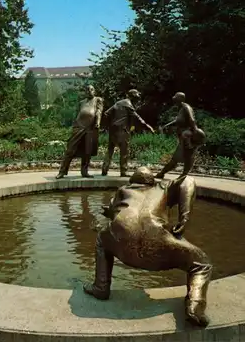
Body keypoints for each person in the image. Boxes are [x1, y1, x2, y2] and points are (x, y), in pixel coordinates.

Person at [85, 167, 212, 328]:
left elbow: (115, 211)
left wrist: (109, 213)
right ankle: (195, 305)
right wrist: (184, 218)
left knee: (102, 239)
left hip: (123, 246)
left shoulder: (123, 190)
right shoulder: (162, 187)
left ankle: (101, 287)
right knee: (202, 263)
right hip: (157, 245)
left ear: (132, 181)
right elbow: (188, 181)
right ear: (152, 181)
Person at [101, 89, 155, 177]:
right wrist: (147, 126)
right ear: (133, 96)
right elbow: (137, 117)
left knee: (110, 150)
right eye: (137, 95)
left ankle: (104, 170)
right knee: (124, 151)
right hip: (122, 131)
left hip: (113, 130)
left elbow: (106, 113)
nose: (138, 97)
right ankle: (123, 171)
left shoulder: (118, 103)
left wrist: (110, 125)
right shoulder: (128, 104)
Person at [55, 85, 104, 179]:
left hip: (90, 128)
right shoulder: (81, 102)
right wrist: (75, 126)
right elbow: (77, 114)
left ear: (94, 91)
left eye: (91, 89)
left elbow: (99, 112)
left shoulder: (98, 100)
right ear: (85, 92)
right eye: (87, 90)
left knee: (87, 151)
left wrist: (98, 122)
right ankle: (62, 172)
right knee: (70, 149)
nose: (89, 91)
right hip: (79, 127)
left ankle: (84, 172)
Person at [156, 92, 206, 179]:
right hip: (184, 136)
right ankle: (181, 175)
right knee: (187, 156)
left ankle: (164, 173)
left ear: (181, 99)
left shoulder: (186, 108)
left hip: (187, 137)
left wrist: (194, 134)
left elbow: (192, 120)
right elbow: (177, 120)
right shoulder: (181, 109)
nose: (173, 98)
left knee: (178, 157)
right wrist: (166, 126)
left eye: (176, 97)